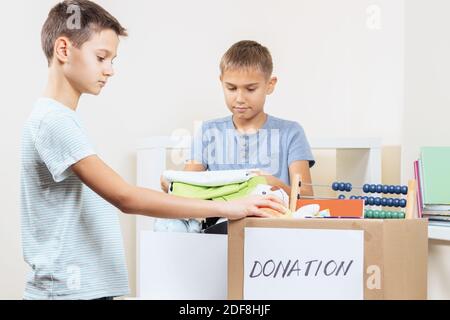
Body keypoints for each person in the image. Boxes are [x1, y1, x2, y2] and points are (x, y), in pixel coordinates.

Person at [20, 0, 285, 300]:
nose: (110, 70)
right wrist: (231, 206)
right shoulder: (53, 121)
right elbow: (125, 197)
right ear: (64, 50)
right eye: (102, 57)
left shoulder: (62, 120)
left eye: (112, 60)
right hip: (67, 293)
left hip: (83, 291)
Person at [159, 40, 315, 231]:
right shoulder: (209, 131)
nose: (239, 98)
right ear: (221, 82)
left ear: (270, 85)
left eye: (250, 89)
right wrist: (173, 185)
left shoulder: (291, 132)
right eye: (231, 88)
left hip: (273, 230)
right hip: (221, 231)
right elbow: (186, 185)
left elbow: (307, 198)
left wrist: (271, 182)